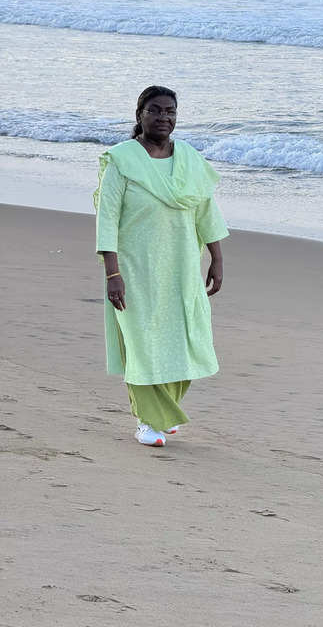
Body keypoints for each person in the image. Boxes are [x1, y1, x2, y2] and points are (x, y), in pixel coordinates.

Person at [93, 85, 229, 447]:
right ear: (140, 115)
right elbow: (107, 218)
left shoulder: (188, 159)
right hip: (135, 269)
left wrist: (216, 257)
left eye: (170, 111)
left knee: (183, 340)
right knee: (142, 344)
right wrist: (112, 272)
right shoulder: (121, 159)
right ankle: (147, 421)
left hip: (182, 266)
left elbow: (206, 211)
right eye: (155, 110)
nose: (164, 118)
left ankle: (163, 413)